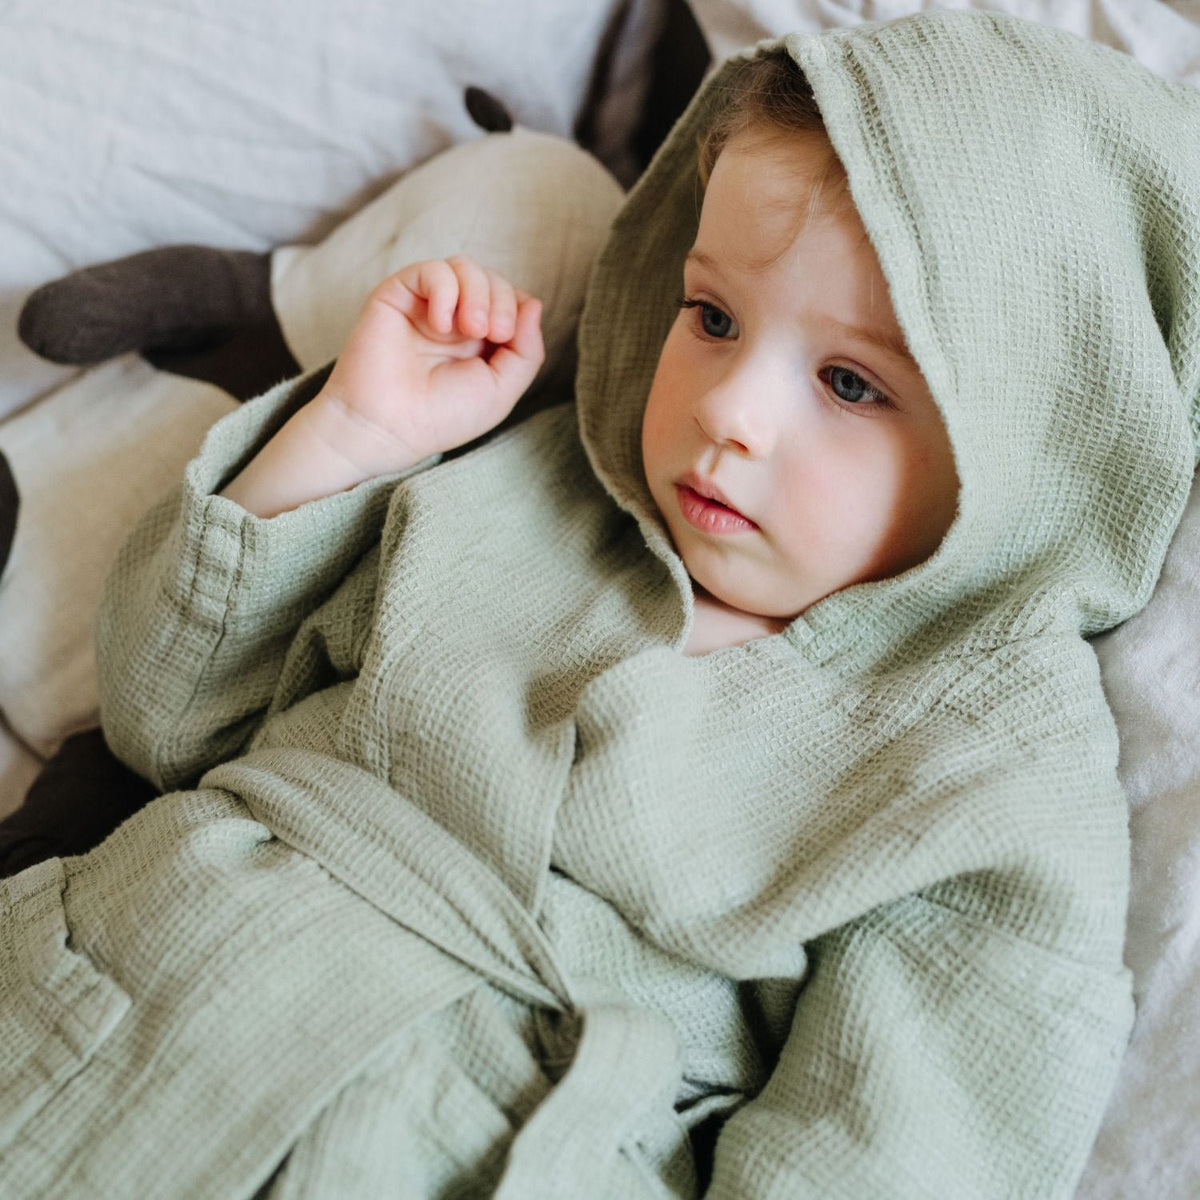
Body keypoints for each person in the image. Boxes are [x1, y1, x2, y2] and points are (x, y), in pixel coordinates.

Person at [3, 10, 1199, 1197]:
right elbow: (165, 718)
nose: (732, 408)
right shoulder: (529, 485)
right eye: (713, 317)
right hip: (105, 1001)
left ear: (1027, 440)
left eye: (848, 382)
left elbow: (896, 1155)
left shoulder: (990, 783)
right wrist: (345, 443)